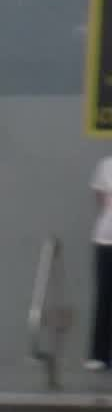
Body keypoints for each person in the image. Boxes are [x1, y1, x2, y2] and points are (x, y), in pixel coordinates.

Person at [92, 153, 112, 370]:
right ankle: (100, 354)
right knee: (105, 297)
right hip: (106, 240)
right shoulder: (106, 164)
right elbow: (99, 196)